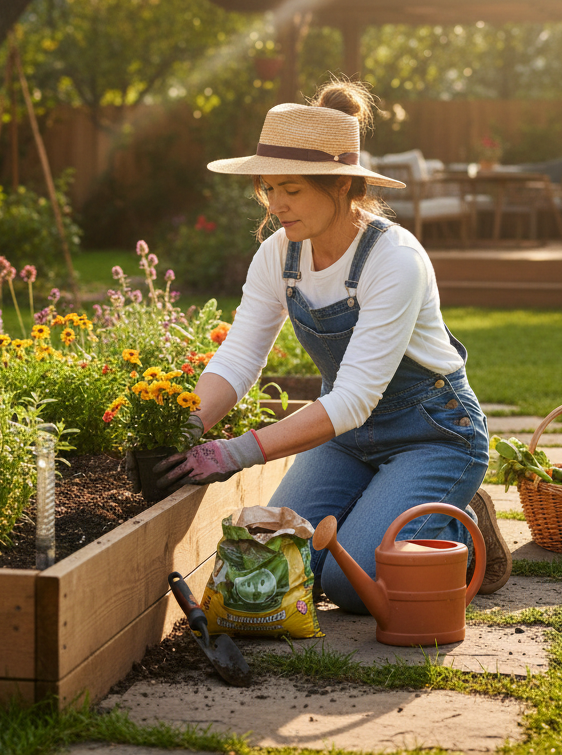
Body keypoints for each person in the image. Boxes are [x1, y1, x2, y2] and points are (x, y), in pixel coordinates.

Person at [154, 81, 511, 611]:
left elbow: (353, 399)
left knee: (354, 586)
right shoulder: (280, 255)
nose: (276, 206)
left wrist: (238, 452)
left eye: (291, 190)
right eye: (269, 189)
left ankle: (458, 530)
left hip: (432, 435)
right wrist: (186, 426)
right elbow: (239, 356)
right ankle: (388, 509)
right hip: (347, 442)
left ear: (341, 186)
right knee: (282, 574)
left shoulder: (394, 260)